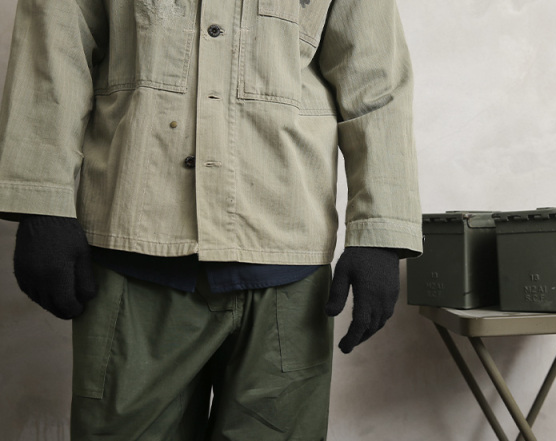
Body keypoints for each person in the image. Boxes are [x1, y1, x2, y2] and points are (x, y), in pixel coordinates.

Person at [0, 0, 421, 439]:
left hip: (286, 264)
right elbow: (52, 49)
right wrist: (41, 204)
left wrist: (380, 235)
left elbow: (376, 85)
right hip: (133, 254)